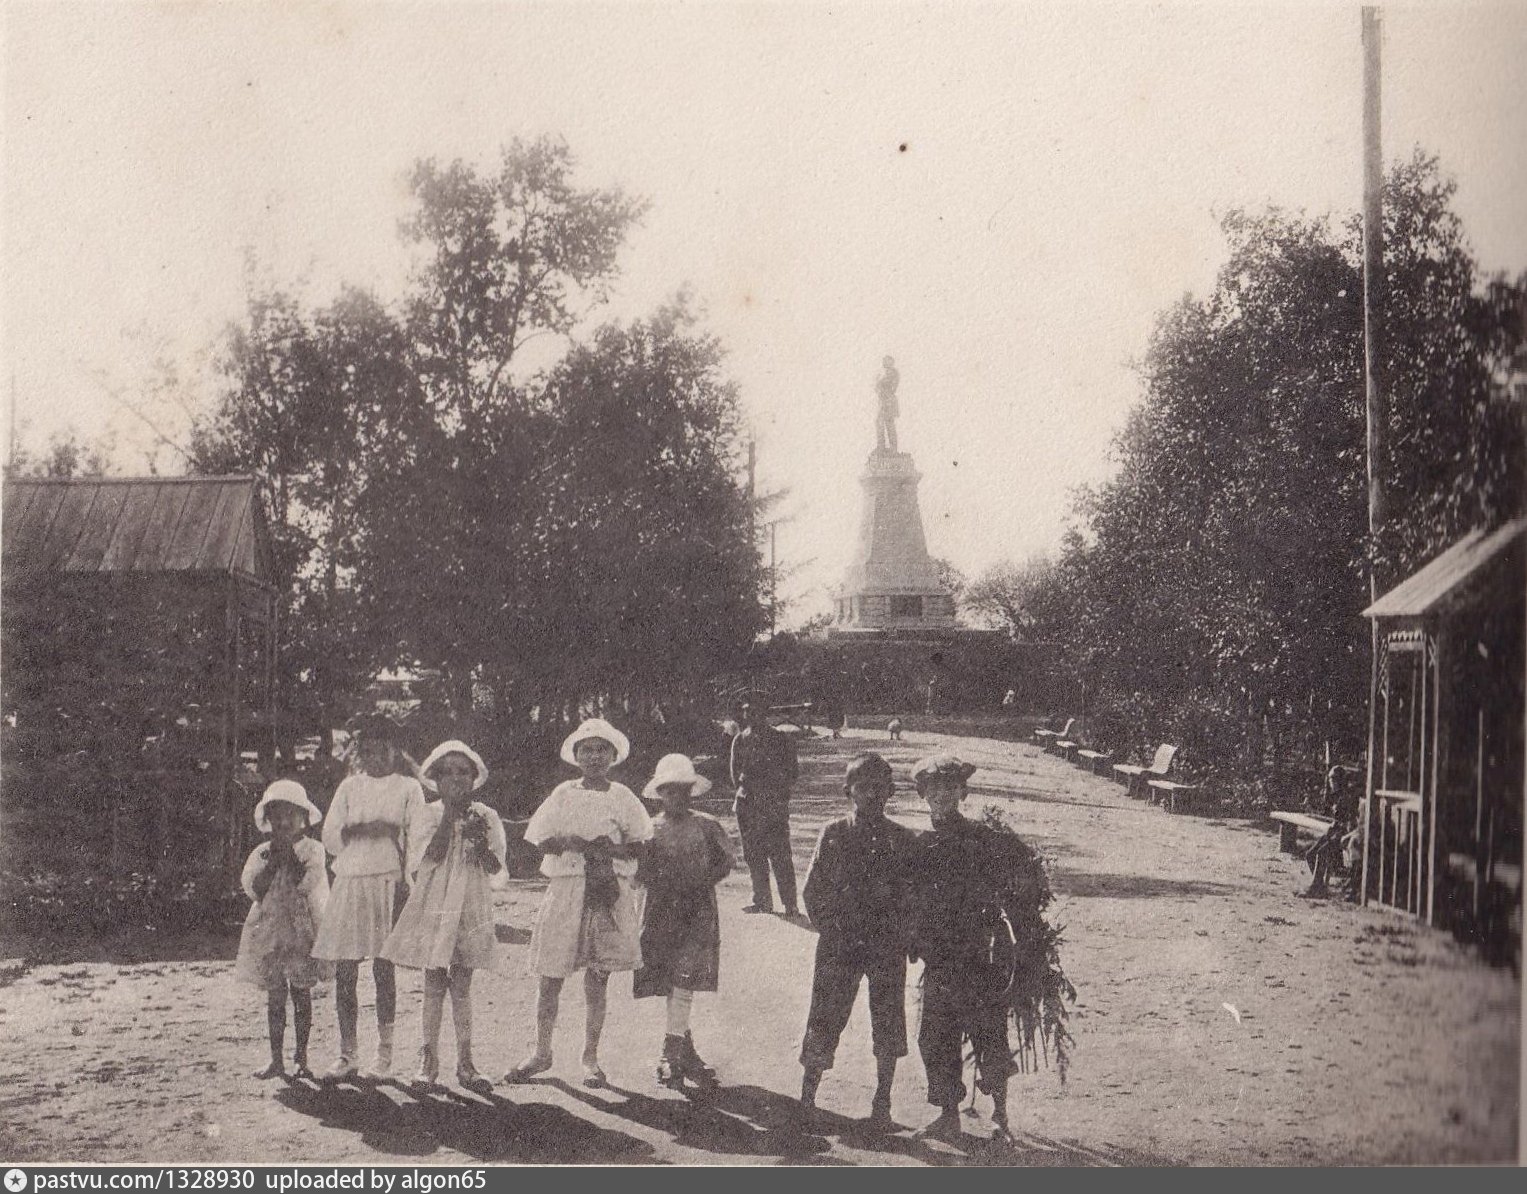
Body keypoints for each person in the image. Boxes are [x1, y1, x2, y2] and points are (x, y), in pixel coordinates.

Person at [506, 718, 653, 1089]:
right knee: (551, 973)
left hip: (606, 889)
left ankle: (591, 1056)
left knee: (598, 974)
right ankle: (541, 1051)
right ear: (575, 755)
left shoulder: (622, 796)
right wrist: (570, 842)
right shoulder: (563, 794)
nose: (594, 756)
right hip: (568, 887)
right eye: (586, 749)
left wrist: (611, 848)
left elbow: (640, 843)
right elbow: (539, 839)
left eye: (601, 749)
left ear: (613, 755)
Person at [381, 740, 507, 1095]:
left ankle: (466, 1061)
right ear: (435, 779)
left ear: (474, 777)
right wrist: (450, 816)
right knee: (434, 981)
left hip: (469, 901)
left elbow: (497, 867)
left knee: (463, 983)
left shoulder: (486, 815)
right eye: (447, 772)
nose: (455, 779)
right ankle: (428, 1058)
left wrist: (479, 841)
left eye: (462, 772)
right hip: (436, 901)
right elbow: (423, 863)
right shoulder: (429, 813)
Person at [798, 753, 916, 1130]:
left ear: (891, 792)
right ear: (848, 790)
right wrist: (832, 928)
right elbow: (812, 890)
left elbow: (912, 896)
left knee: (887, 1021)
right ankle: (807, 1097)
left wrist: (903, 934)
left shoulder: (901, 839)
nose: (872, 795)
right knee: (824, 1016)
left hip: (885, 947)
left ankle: (883, 1102)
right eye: (863, 787)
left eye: (880, 787)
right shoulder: (833, 832)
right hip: (840, 944)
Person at [907, 753, 1021, 1143]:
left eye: (950, 788)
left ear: (963, 792)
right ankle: (947, 1114)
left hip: (978, 955)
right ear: (922, 795)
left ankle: (1000, 1116)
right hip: (938, 957)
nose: (941, 795)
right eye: (933, 789)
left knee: (988, 1032)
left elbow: (1016, 877)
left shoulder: (982, 838)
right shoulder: (919, 844)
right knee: (934, 1036)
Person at [310, 714, 426, 1082]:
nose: (376, 756)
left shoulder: (409, 788)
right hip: (350, 881)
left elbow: (419, 838)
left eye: (384, 749)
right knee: (346, 969)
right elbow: (329, 836)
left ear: (395, 751)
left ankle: (384, 1056)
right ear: (359, 753)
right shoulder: (349, 787)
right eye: (369, 750)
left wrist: (407, 879)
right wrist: (362, 828)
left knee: (383, 968)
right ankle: (347, 1054)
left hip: (388, 881)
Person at [634, 753, 735, 1089]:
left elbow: (724, 862)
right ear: (660, 792)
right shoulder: (649, 828)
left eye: (684, 790)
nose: (678, 796)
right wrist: (659, 879)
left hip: (697, 907)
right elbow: (639, 869)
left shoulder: (706, 825)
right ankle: (683, 1046)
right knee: (669, 975)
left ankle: (671, 1050)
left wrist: (700, 879)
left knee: (686, 976)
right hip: (662, 908)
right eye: (670, 791)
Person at [235, 780, 331, 1080]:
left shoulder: (313, 850)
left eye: (292, 814)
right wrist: (273, 861)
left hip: (301, 931)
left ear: (304, 818)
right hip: (272, 932)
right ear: (269, 820)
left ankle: (301, 1057)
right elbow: (254, 890)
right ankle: (276, 1058)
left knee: (301, 993)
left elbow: (307, 884)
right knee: (275, 996)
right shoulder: (262, 852)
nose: (284, 821)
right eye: (277, 815)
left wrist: (288, 856)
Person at [729, 702, 800, 916]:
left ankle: (790, 904)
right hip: (748, 804)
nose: (750, 715)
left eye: (756, 711)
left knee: (780, 855)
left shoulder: (781, 739)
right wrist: (745, 790)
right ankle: (761, 900)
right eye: (747, 712)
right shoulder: (740, 739)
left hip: (773, 805)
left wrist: (776, 792)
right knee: (753, 854)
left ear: (765, 714)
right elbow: (734, 773)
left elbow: (792, 772)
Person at [1302, 765, 1360, 900]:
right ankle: (1320, 886)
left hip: (1345, 835)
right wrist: (1333, 826)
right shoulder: (1336, 796)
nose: (1331, 783)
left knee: (1322, 853)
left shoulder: (1348, 797)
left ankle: (1315, 887)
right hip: (1335, 832)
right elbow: (1337, 819)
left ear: (1340, 781)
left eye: (1334, 780)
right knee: (1310, 854)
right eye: (1330, 780)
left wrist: (1338, 828)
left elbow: (1351, 822)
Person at [875, 355, 900, 454]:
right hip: (883, 402)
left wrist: (880, 386)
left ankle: (892, 448)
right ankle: (881, 447)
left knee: (889, 424)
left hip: (889, 402)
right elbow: (876, 387)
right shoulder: (883, 373)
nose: (883, 362)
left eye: (886, 361)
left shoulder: (893, 373)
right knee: (880, 423)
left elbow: (892, 388)